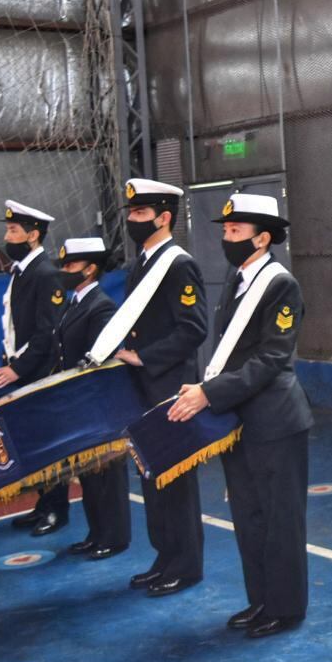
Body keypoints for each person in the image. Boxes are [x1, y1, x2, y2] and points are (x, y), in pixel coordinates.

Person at [170, 192, 313, 638]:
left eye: (235, 231)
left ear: (262, 238)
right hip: (240, 419)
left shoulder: (280, 284)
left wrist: (209, 393)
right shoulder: (236, 279)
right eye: (226, 230)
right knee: (249, 516)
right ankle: (261, 600)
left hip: (275, 421)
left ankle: (285, 607)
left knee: (279, 519)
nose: (226, 238)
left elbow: (271, 358)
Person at [113, 179, 208, 597]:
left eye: (139, 213)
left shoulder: (178, 264)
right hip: (143, 389)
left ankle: (185, 565)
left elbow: (193, 329)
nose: (132, 220)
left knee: (175, 479)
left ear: (163, 217)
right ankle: (164, 556)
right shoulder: (143, 263)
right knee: (152, 476)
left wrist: (144, 356)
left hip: (169, 388)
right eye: (130, 213)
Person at [0, 200, 68, 535]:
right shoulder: (22, 271)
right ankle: (43, 503)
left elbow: (48, 332)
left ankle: (57, 509)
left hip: (40, 373)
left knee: (50, 443)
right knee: (33, 442)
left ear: (33, 235)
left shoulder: (46, 274)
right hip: (23, 370)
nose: (7, 235)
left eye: (13, 230)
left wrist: (18, 369)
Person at [54, 237, 130, 559]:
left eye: (70, 265)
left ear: (90, 269)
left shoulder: (100, 306)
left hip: (98, 405)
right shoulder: (74, 302)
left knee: (106, 475)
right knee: (88, 475)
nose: (65, 271)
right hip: (79, 404)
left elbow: (99, 357)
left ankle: (113, 536)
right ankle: (96, 532)